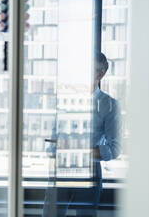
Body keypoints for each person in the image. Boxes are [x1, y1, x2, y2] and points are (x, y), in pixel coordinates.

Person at [42, 52, 121, 217]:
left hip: (89, 173)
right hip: (61, 170)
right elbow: (52, 144)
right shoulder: (65, 100)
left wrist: (80, 151)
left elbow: (114, 149)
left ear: (100, 73)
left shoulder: (110, 105)